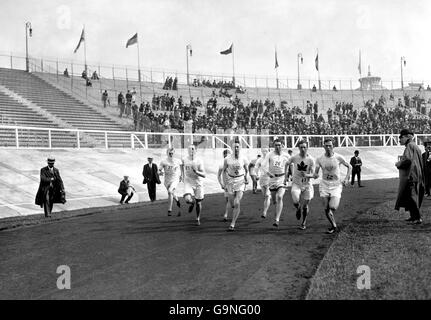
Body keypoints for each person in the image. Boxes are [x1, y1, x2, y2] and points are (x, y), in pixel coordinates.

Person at [313, 138, 351, 234]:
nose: (328, 147)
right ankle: (334, 225)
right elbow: (316, 173)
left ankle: (332, 217)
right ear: (323, 147)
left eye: (330, 145)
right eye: (326, 146)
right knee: (326, 208)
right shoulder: (319, 159)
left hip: (336, 185)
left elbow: (350, 167)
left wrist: (346, 178)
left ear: (333, 146)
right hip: (324, 185)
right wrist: (312, 175)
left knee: (333, 207)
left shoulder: (339, 157)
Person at [395, 129, 425, 224]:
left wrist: (398, 164)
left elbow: (407, 160)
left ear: (407, 136)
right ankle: (413, 216)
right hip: (417, 175)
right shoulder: (415, 146)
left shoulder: (409, 146)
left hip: (411, 176)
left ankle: (417, 217)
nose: (400, 140)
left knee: (412, 197)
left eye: (401, 137)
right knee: (411, 196)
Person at [285, 140, 315, 230]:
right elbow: (287, 164)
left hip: (307, 185)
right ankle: (298, 208)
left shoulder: (311, 159)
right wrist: (286, 175)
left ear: (307, 148)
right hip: (296, 183)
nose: (303, 149)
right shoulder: (295, 157)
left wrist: (306, 175)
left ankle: (303, 222)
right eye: (301, 147)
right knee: (295, 199)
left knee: (305, 206)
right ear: (298, 148)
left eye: (304, 147)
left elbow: (314, 174)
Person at [222, 141, 249, 231]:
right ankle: (234, 211)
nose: (236, 148)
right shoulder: (227, 159)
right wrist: (225, 183)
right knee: (232, 203)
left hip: (240, 180)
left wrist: (246, 178)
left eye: (238, 147)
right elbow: (223, 171)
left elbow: (246, 169)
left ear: (240, 148)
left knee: (237, 202)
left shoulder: (244, 158)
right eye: (234, 147)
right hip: (230, 181)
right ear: (232, 148)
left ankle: (232, 224)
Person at [266, 139, 291, 228]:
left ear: (282, 145)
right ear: (273, 146)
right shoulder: (269, 155)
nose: (278, 147)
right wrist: (268, 173)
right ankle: (276, 208)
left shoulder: (286, 155)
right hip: (272, 179)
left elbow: (291, 165)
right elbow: (264, 166)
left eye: (279, 145)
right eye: (276, 145)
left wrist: (289, 176)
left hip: (282, 178)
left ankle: (277, 220)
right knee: (274, 200)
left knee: (280, 196)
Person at [181, 145, 206, 226]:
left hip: (198, 182)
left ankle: (198, 218)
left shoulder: (199, 161)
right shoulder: (184, 159)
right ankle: (192, 202)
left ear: (196, 150)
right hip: (188, 181)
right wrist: (181, 175)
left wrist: (196, 172)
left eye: (192, 149)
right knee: (188, 199)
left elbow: (204, 175)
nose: (191, 151)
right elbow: (181, 166)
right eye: (189, 149)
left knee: (199, 203)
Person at [159, 148, 182, 216]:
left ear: (174, 153)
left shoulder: (177, 161)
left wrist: (181, 176)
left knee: (170, 191)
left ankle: (169, 210)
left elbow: (181, 168)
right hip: (167, 180)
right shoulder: (164, 161)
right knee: (171, 193)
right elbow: (159, 169)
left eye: (172, 153)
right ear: (167, 153)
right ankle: (177, 200)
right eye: (170, 153)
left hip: (175, 179)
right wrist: (159, 172)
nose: (171, 154)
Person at [256, 148, 271, 218]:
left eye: (266, 151)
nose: (265, 152)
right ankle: (267, 206)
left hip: (270, 179)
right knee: (265, 196)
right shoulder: (260, 160)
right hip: (262, 179)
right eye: (263, 151)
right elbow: (256, 168)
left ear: (269, 151)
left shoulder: (271, 159)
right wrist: (257, 175)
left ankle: (264, 212)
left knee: (267, 195)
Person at [217, 149, 232, 221]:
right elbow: (218, 176)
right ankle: (226, 214)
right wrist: (221, 184)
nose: (226, 157)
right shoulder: (221, 165)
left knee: (232, 200)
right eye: (225, 155)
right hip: (227, 185)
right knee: (228, 200)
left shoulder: (234, 163)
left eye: (228, 155)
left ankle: (226, 214)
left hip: (235, 183)